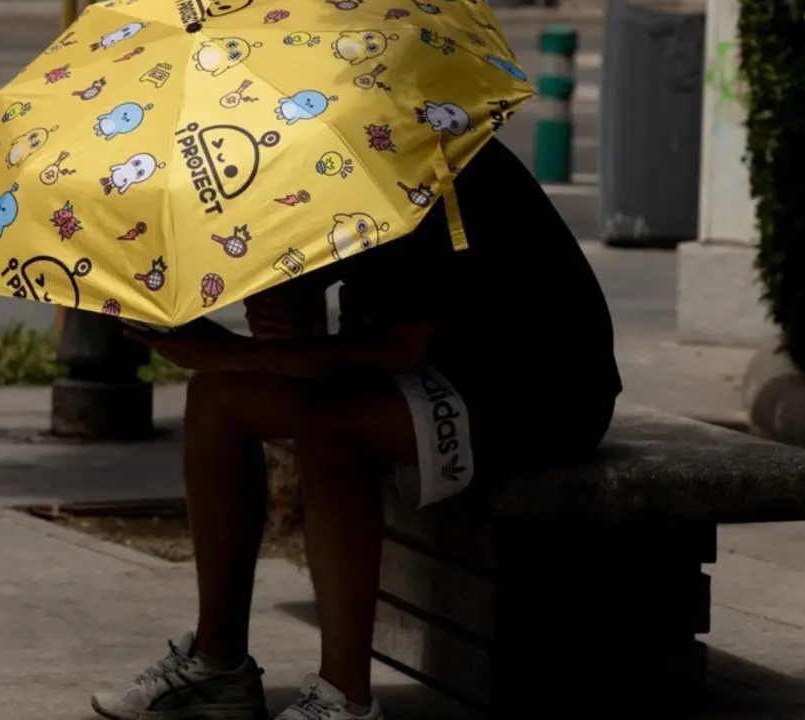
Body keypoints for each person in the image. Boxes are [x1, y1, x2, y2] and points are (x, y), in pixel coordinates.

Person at [91, 137, 621, 720]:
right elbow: (335, 331)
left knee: (333, 424)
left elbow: (395, 349)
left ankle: (345, 697)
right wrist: (277, 316)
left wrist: (230, 352)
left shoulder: (419, 163)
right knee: (218, 400)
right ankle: (218, 666)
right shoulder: (319, 167)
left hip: (538, 388)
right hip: (440, 368)